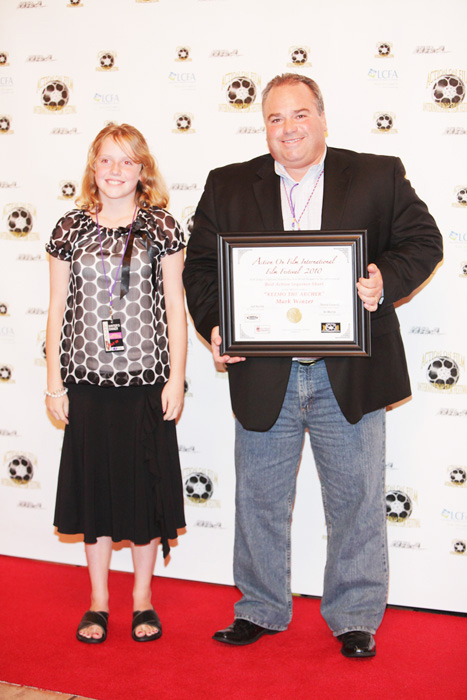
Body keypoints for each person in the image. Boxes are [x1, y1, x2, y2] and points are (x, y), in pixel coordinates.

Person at [183, 74, 443, 657]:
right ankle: (260, 607)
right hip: (263, 370)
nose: (289, 129)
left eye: (300, 115)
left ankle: (355, 617)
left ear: (322, 118)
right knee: (259, 499)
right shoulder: (227, 184)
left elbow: (424, 241)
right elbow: (199, 268)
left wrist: (383, 280)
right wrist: (217, 325)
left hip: (348, 372)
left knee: (356, 499)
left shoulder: (377, 174)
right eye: (275, 119)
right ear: (264, 128)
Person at [45, 124, 187, 644]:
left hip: (145, 384)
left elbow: (176, 308)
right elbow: (56, 308)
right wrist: (54, 383)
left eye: (127, 161)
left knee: (144, 497)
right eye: (106, 160)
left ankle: (143, 600)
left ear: (142, 170)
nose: (115, 171)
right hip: (87, 385)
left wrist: (176, 379)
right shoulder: (69, 228)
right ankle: (99, 602)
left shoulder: (161, 228)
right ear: (93, 166)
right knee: (96, 499)